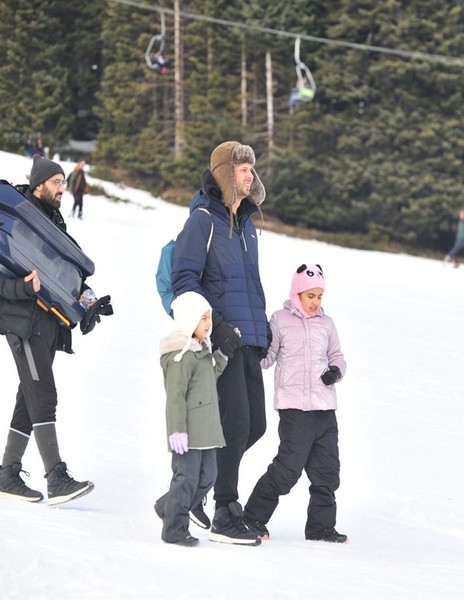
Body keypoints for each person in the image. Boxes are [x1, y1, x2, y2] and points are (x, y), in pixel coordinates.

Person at [0, 156, 112, 506]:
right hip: (21, 322)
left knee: (29, 397)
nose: (62, 189)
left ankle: (7, 474)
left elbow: (66, 274)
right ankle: (56, 477)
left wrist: (87, 301)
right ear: (38, 184)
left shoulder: (52, 221)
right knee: (42, 394)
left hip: (48, 322)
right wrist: (25, 288)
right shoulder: (15, 219)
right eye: (56, 182)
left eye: (63, 182)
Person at [171, 140, 268, 545]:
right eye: (243, 168)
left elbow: (250, 286)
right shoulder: (203, 222)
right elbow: (183, 281)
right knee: (237, 422)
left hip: (248, 339)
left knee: (256, 426)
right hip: (221, 341)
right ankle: (226, 510)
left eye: (252, 168)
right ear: (226, 172)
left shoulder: (246, 226)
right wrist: (217, 326)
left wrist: (261, 329)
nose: (251, 174)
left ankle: (193, 492)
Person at [243, 263, 348, 544]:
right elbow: (268, 358)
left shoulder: (327, 324)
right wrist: (253, 352)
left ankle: (321, 527)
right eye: (310, 296)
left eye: (319, 296)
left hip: (325, 409)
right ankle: (252, 517)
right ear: (297, 293)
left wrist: (336, 370)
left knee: (327, 471)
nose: (315, 302)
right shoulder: (279, 320)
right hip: (294, 409)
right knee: (288, 468)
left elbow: (337, 355)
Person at [153, 292, 228, 547]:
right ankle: (174, 529)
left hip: (206, 431)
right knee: (186, 479)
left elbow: (208, 379)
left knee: (209, 477)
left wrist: (222, 356)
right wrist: (176, 430)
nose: (208, 323)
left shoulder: (201, 350)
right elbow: (175, 396)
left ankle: (168, 506)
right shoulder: (181, 356)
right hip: (188, 433)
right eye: (202, 318)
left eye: (208, 317)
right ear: (188, 321)